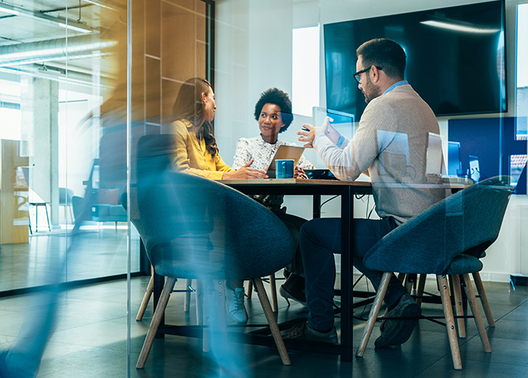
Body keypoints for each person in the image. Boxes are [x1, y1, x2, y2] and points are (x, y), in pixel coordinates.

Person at [289, 38, 447, 346]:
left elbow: (347, 170)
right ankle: (396, 300)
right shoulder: (422, 107)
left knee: (312, 233)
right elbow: (390, 163)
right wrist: (335, 139)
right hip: (430, 228)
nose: (359, 84)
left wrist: (318, 140)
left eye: (359, 75)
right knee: (351, 233)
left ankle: (319, 328)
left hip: (402, 231)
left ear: (374, 72)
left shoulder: (382, 106)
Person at [167, 77, 267, 324]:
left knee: (244, 220)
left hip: (213, 207)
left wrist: (243, 172)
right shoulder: (177, 129)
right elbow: (180, 172)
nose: (215, 104)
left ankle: (231, 288)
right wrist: (228, 175)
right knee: (237, 225)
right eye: (213, 97)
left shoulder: (205, 134)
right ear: (203, 98)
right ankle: (232, 290)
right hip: (192, 212)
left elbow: (222, 168)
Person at [232, 88, 315, 305]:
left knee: (309, 231)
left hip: (275, 214)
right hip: (250, 212)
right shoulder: (246, 144)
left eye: (274, 116)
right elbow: (235, 175)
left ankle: (295, 284)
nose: (267, 120)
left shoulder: (290, 149)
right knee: (294, 234)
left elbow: (310, 171)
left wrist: (300, 173)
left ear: (284, 123)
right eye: (263, 114)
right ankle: (295, 284)